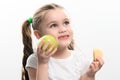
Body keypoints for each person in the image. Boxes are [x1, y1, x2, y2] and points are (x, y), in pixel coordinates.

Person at [21, 3, 104, 80]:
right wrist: (43, 63)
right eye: (53, 25)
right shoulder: (35, 60)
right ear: (39, 35)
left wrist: (90, 75)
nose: (63, 29)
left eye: (66, 23)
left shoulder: (80, 59)